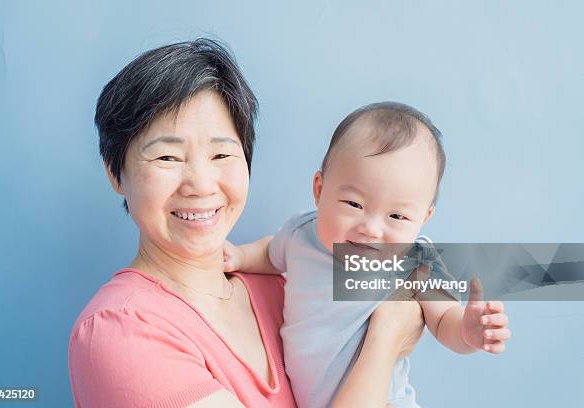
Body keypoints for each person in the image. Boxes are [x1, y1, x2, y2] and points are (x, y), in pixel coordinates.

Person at [68, 39, 427, 408]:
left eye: (222, 154)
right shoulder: (120, 331)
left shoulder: (285, 286)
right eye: (168, 157)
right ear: (116, 173)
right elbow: (399, 308)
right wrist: (387, 335)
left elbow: (444, 274)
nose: (201, 185)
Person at [223, 102, 512, 407]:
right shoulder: (302, 234)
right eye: (354, 205)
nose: (372, 229)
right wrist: (239, 256)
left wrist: (468, 332)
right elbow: (270, 254)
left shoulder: (417, 261)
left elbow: (443, 321)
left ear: (424, 218)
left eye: (397, 217)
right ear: (320, 190)